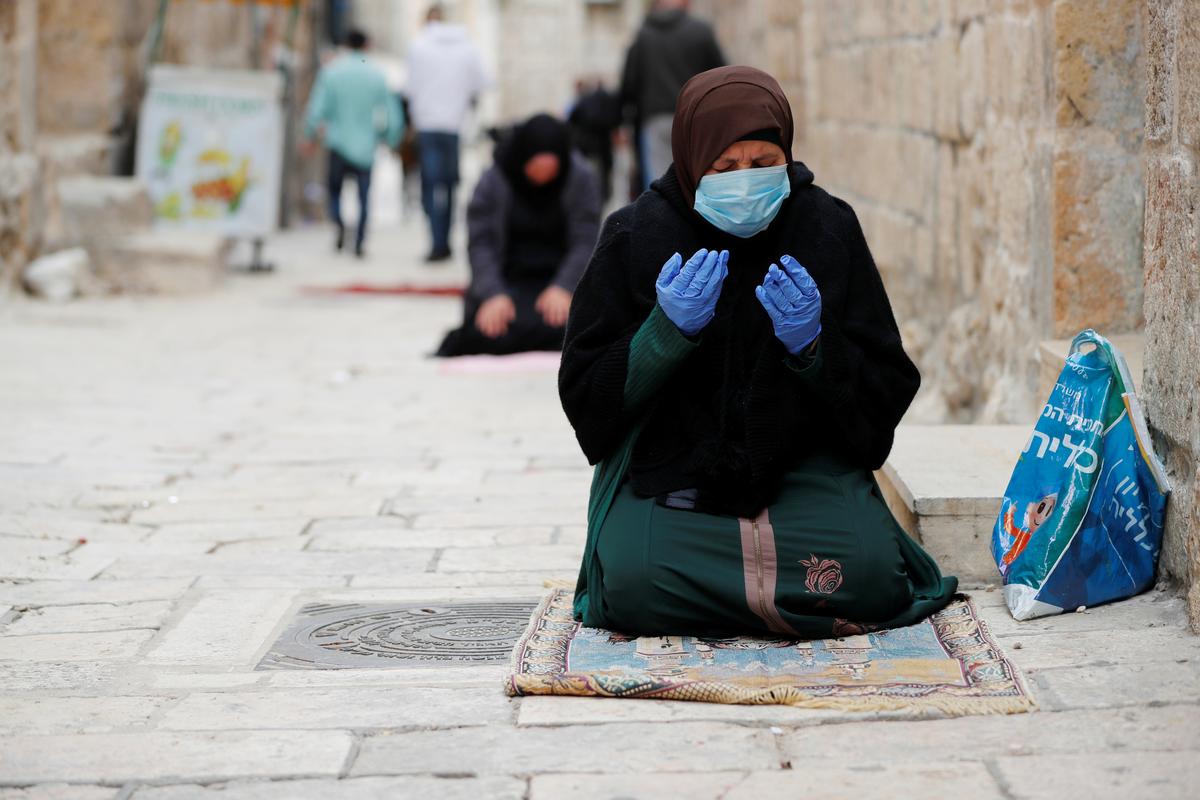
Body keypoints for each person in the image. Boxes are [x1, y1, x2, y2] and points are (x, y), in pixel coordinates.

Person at [559, 66, 958, 638]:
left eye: (763, 164)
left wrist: (816, 347)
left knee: (871, 578)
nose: (744, 181)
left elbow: (886, 385)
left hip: (804, 468)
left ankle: (719, 596)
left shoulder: (825, 226)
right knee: (631, 585)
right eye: (724, 168)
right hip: (672, 473)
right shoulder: (636, 234)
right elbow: (585, 399)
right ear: (694, 160)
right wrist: (663, 334)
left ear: (787, 156)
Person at [436, 114, 601, 357]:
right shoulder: (495, 179)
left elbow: (586, 240)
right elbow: (480, 244)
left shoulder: (580, 178)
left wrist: (565, 287)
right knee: (489, 331)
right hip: (509, 283)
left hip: (559, 285)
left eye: (550, 171)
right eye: (536, 169)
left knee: (579, 332)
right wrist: (493, 294)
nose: (543, 178)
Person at [303, 29, 404, 258]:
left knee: (335, 191)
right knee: (364, 197)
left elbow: (316, 109)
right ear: (367, 45)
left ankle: (339, 224)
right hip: (366, 146)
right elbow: (392, 114)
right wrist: (390, 138)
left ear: (346, 45)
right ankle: (359, 241)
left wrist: (310, 135)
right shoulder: (376, 75)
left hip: (338, 142)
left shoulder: (332, 73)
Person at [406, 4, 490, 262]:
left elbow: (409, 88)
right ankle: (446, 240)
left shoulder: (419, 47)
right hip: (454, 125)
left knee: (431, 186)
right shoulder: (467, 48)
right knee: (451, 186)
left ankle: (436, 241)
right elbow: (485, 82)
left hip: (428, 125)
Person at [619, 0, 724, 194]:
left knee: (660, 187)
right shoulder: (700, 31)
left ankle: (662, 223)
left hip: (655, 119)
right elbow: (721, 75)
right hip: (695, 118)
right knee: (698, 182)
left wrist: (625, 118)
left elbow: (629, 83)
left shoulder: (644, 35)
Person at [567, 80, 622, 205]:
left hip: (586, 147)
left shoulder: (583, 101)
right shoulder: (607, 102)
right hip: (603, 149)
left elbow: (571, 121)